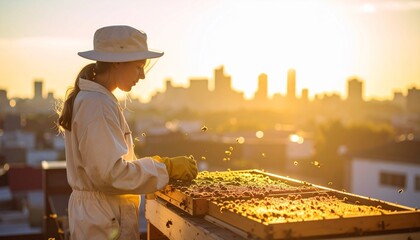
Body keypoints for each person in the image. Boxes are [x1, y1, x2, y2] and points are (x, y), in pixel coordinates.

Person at [57, 25, 198, 239]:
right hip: (103, 221)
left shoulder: (97, 100)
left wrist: (158, 166)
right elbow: (111, 175)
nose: (142, 76)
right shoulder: (97, 105)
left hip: (101, 216)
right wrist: (165, 168)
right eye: (138, 67)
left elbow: (110, 167)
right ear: (116, 62)